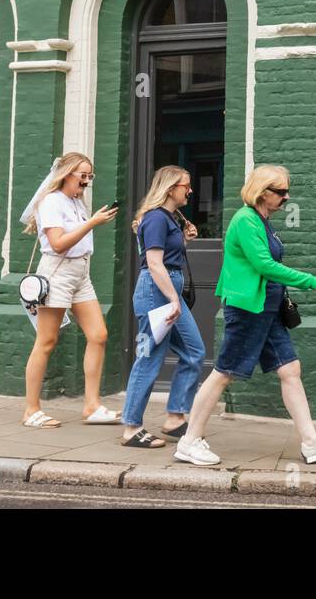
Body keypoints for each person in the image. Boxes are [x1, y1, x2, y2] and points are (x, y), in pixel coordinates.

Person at [175, 165, 316, 466]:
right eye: (280, 191)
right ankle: (189, 441)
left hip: (267, 310)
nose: (286, 196)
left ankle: (311, 442)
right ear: (262, 192)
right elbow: (264, 265)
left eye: (286, 190)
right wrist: (310, 280)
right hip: (247, 310)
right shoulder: (246, 221)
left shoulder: (262, 221)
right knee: (224, 373)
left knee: (290, 369)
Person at [19, 152, 120, 428]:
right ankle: (31, 410)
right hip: (58, 272)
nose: (87, 182)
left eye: (90, 176)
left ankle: (91, 405)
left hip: (80, 273)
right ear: (66, 175)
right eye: (82, 176)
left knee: (98, 335)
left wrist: (91, 221)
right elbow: (59, 242)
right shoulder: (51, 202)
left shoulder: (76, 202)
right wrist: (92, 223)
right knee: (47, 340)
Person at [119, 165, 205, 449]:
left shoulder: (167, 218)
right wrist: (171, 299)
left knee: (194, 352)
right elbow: (154, 264)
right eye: (186, 186)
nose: (190, 191)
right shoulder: (156, 218)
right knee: (148, 358)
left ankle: (174, 417)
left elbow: (165, 256)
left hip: (168, 293)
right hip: (157, 294)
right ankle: (132, 428)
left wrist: (184, 240)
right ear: (171, 189)